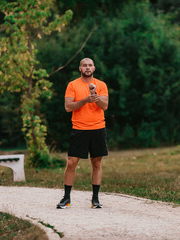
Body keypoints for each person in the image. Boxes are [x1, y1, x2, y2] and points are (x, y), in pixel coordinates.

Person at [57, 57, 109, 209]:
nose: (87, 68)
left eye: (90, 65)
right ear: (80, 68)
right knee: (72, 162)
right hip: (79, 129)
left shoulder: (101, 85)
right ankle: (66, 198)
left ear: (94, 68)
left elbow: (104, 106)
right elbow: (68, 107)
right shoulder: (73, 85)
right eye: (84, 65)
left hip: (98, 128)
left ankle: (95, 199)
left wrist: (96, 97)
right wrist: (85, 100)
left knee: (96, 163)